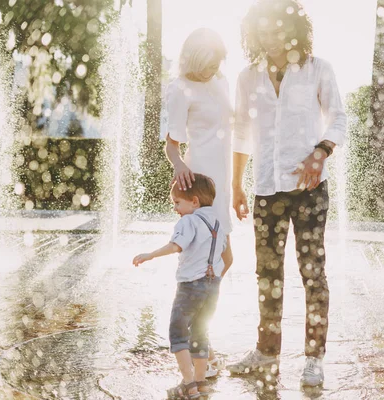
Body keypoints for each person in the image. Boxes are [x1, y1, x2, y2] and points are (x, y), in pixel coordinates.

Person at [226, 0, 347, 387]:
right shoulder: (247, 77)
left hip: (309, 189)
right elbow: (241, 133)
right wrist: (236, 184)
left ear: (292, 27)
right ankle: (266, 352)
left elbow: (339, 118)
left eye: (275, 26)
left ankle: (314, 358)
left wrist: (320, 152)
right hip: (265, 189)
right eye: (260, 28)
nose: (268, 34)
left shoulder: (317, 70)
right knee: (267, 273)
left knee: (313, 273)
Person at [163, 27, 233, 377]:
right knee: (211, 260)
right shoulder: (179, 88)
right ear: (193, 59)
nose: (212, 69)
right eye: (208, 63)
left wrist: (237, 186)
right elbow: (171, 144)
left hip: (223, 178)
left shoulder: (221, 81)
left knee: (225, 259)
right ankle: (197, 341)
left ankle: (200, 336)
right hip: (201, 183)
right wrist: (179, 168)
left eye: (217, 63)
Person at [133, 174, 227, 399]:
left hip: (190, 285)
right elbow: (222, 252)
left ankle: (188, 384)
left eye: (177, 202)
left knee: (178, 333)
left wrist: (150, 255)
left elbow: (176, 246)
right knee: (200, 332)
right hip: (213, 285)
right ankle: (201, 383)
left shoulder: (189, 220)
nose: (175, 208)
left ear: (194, 201)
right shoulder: (217, 223)